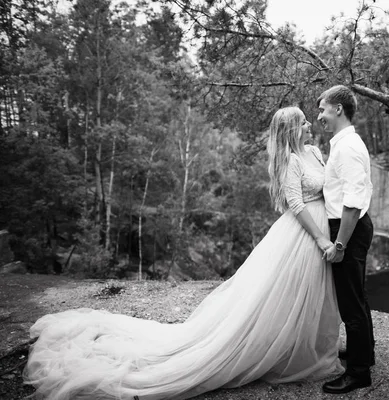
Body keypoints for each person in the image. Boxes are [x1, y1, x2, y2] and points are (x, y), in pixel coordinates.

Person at [23, 106, 343, 400]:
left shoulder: (315, 151)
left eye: (306, 120)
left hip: (324, 225)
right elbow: (296, 205)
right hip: (304, 235)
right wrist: (320, 239)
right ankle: (277, 351)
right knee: (283, 297)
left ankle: (310, 346)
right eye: (302, 122)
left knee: (314, 295)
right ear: (290, 131)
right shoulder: (292, 162)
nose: (308, 125)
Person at [318, 85, 376, 394]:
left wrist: (339, 245)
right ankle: (362, 354)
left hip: (348, 229)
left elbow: (353, 202)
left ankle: (358, 373)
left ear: (338, 109)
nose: (320, 116)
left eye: (324, 109)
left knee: (351, 303)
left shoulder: (349, 146)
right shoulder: (342, 144)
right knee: (357, 297)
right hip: (349, 227)